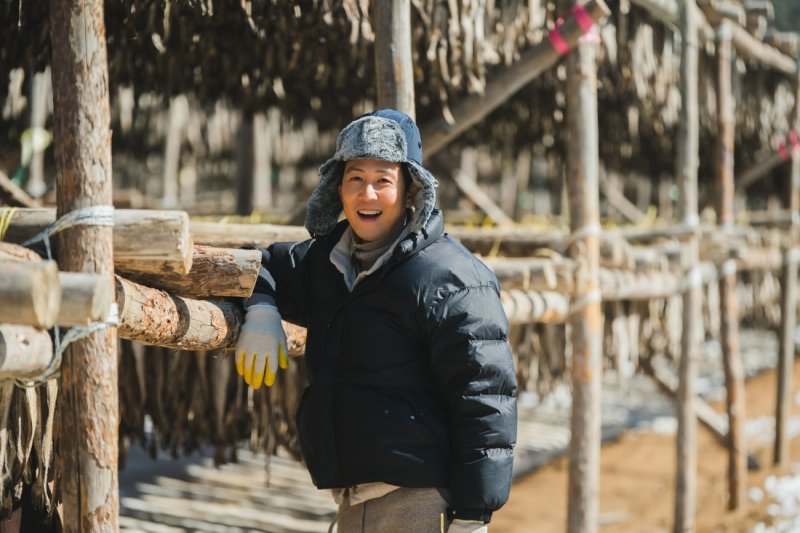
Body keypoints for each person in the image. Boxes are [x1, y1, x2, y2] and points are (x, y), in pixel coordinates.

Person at [235, 109, 517, 533]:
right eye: (355, 178)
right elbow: (260, 263)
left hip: (420, 504)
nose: (367, 194)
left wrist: (473, 515)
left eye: (383, 180)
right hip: (354, 503)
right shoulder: (326, 261)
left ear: (410, 190)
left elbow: (484, 396)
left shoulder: (452, 277)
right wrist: (261, 308)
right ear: (338, 189)